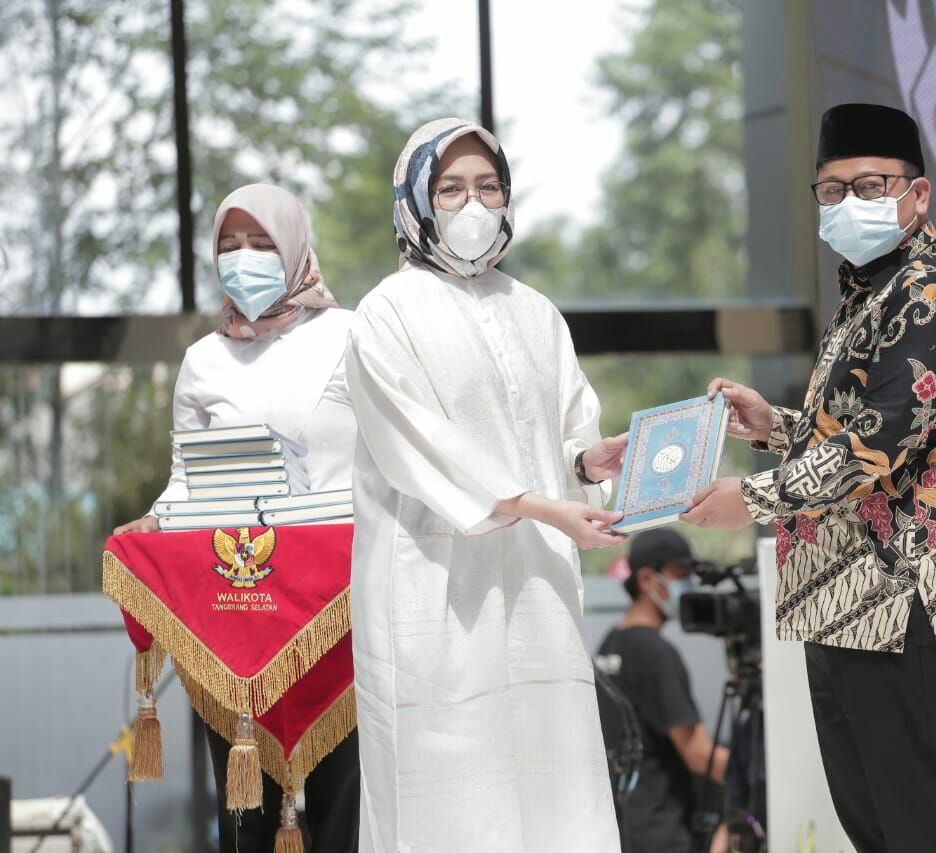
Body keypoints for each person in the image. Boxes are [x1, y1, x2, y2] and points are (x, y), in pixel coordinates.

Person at [683, 102, 936, 853]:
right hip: (841, 601)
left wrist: (749, 499)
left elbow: (878, 445)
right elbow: (861, 423)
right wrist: (775, 425)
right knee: (878, 830)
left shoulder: (932, 292)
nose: (849, 204)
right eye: (832, 190)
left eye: (870, 185)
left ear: (918, 195)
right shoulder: (867, 290)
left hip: (904, 603)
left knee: (927, 828)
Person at [345, 117, 629, 852]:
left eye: (488, 187)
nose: (473, 206)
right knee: (451, 796)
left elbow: (564, 430)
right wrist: (544, 506)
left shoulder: (535, 312)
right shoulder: (385, 313)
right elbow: (423, 448)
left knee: (555, 790)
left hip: (537, 581)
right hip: (435, 593)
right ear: (416, 201)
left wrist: (587, 465)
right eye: (451, 189)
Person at [113, 183, 360, 852]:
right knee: (244, 817)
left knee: (346, 803)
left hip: (336, 607)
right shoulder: (203, 359)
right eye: (230, 245)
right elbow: (187, 479)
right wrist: (153, 523)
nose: (244, 258)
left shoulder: (351, 336)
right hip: (236, 609)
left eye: (262, 244)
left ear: (296, 249)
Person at [595, 529, 730, 853]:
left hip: (626, 822)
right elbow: (700, 755)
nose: (689, 586)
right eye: (680, 575)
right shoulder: (655, 652)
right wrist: (763, 768)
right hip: (664, 828)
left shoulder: (611, 641)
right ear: (645, 578)